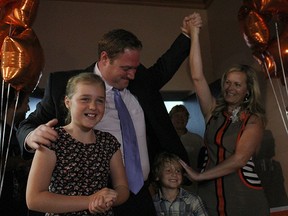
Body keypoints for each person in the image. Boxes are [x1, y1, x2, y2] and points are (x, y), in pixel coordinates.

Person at [18, 13, 202, 216]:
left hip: (140, 192)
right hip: (90, 197)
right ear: (104, 58)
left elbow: (164, 67)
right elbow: (30, 124)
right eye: (126, 68)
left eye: (135, 68)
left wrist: (186, 34)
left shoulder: (139, 81)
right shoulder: (65, 85)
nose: (132, 74)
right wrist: (31, 136)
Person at [178, 16, 270, 216]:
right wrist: (194, 34)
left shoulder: (254, 119)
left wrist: (199, 176)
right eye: (228, 82)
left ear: (247, 90)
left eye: (237, 84)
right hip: (209, 196)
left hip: (244, 196)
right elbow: (197, 76)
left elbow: (239, 159)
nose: (230, 88)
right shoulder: (212, 111)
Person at [26, 73, 129, 215]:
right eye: (85, 99)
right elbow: (34, 199)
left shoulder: (109, 142)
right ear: (68, 102)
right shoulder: (53, 139)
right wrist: (90, 201)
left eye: (100, 101)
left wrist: (109, 200)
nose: (93, 106)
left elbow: (122, 187)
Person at [0, 84, 31, 216]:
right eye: (26, 103)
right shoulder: (2, 131)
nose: (28, 108)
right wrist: (24, 161)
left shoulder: (14, 131)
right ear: (15, 103)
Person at [169, 104, 204, 193]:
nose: (180, 118)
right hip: (168, 187)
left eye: (183, 116)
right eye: (177, 115)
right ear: (170, 118)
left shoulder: (198, 140)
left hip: (192, 188)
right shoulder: (163, 139)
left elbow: (203, 164)